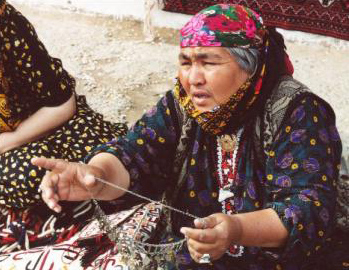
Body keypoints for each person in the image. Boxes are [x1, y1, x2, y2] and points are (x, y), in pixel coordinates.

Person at [30, 3, 347, 270]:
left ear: (250, 68)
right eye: (186, 62)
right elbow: (135, 152)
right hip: (195, 252)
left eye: (209, 62)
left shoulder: (298, 112)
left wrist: (235, 229)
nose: (193, 78)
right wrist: (96, 176)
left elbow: (307, 208)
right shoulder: (180, 106)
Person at [0, 0, 127, 254]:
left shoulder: (7, 26)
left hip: (37, 126)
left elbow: (61, 105)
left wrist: (10, 139)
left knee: (42, 175)